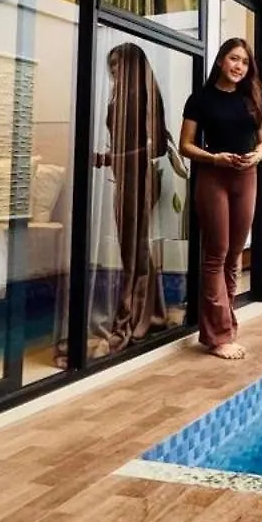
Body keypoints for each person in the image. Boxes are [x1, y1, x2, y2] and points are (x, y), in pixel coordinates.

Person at [180, 37, 262, 360]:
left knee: (234, 255)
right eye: (234, 59)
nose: (238, 66)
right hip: (213, 176)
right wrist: (214, 158)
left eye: (244, 62)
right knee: (216, 253)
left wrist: (256, 156)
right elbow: (185, 145)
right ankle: (218, 335)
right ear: (220, 61)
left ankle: (225, 325)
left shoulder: (252, 99)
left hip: (246, 176)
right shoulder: (200, 99)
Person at [91, 42, 170, 356]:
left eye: (118, 65)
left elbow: (157, 146)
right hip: (125, 178)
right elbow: (124, 146)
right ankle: (152, 313)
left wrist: (114, 158)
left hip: (141, 179)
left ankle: (134, 316)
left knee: (134, 247)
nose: (113, 71)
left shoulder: (144, 95)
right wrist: (109, 159)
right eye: (111, 66)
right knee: (134, 249)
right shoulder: (119, 97)